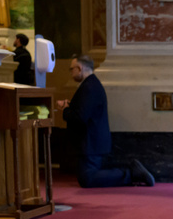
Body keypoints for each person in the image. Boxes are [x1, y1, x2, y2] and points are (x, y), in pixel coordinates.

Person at [55, 54, 155, 188]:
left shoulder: (89, 87)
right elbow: (85, 111)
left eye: (71, 69)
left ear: (79, 68)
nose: (71, 72)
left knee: (88, 179)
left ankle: (131, 173)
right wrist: (70, 106)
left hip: (90, 144)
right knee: (86, 177)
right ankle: (131, 172)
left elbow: (80, 117)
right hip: (92, 142)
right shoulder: (91, 85)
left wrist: (66, 110)